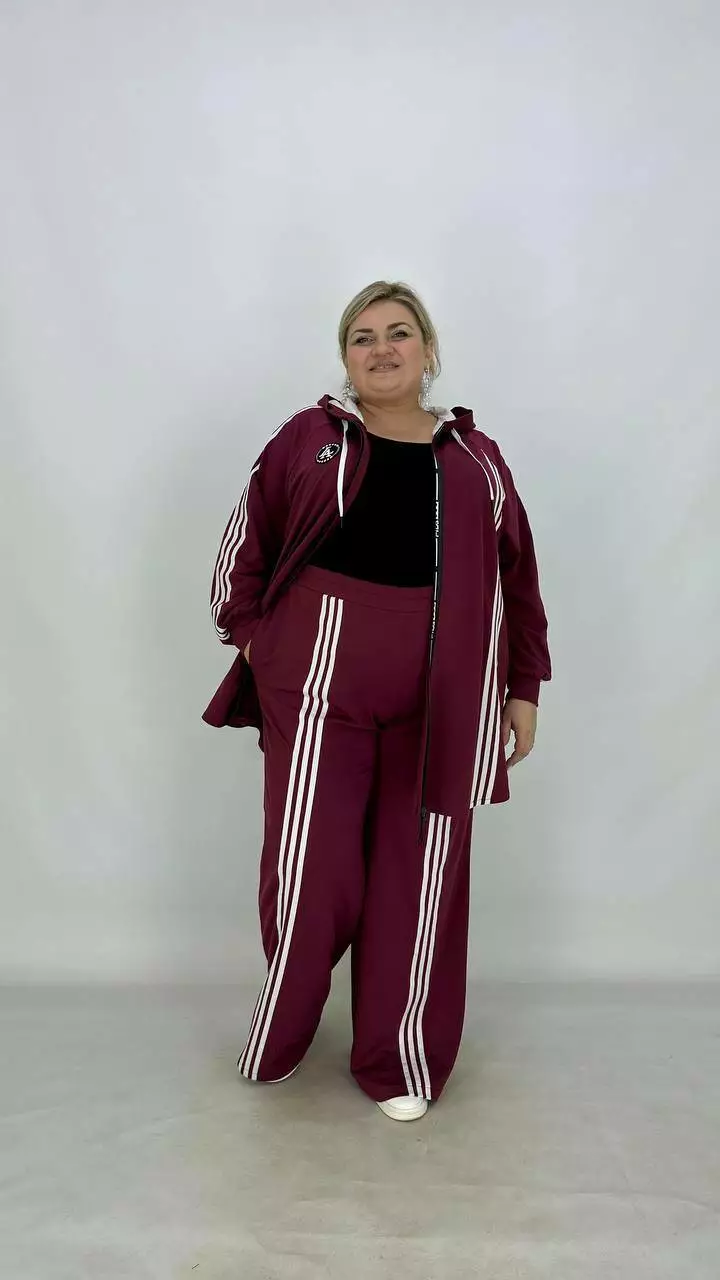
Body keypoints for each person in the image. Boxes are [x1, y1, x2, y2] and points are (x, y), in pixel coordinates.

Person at [203, 280, 551, 1122]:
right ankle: (286, 1028)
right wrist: (257, 641)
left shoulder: (476, 459)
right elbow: (245, 545)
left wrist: (522, 686)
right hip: (317, 681)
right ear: (346, 357)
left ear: (428, 351)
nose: (382, 348)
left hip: (443, 694)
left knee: (416, 874)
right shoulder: (308, 437)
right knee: (310, 872)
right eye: (363, 337)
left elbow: (517, 577)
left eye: (399, 333)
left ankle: (397, 1060)